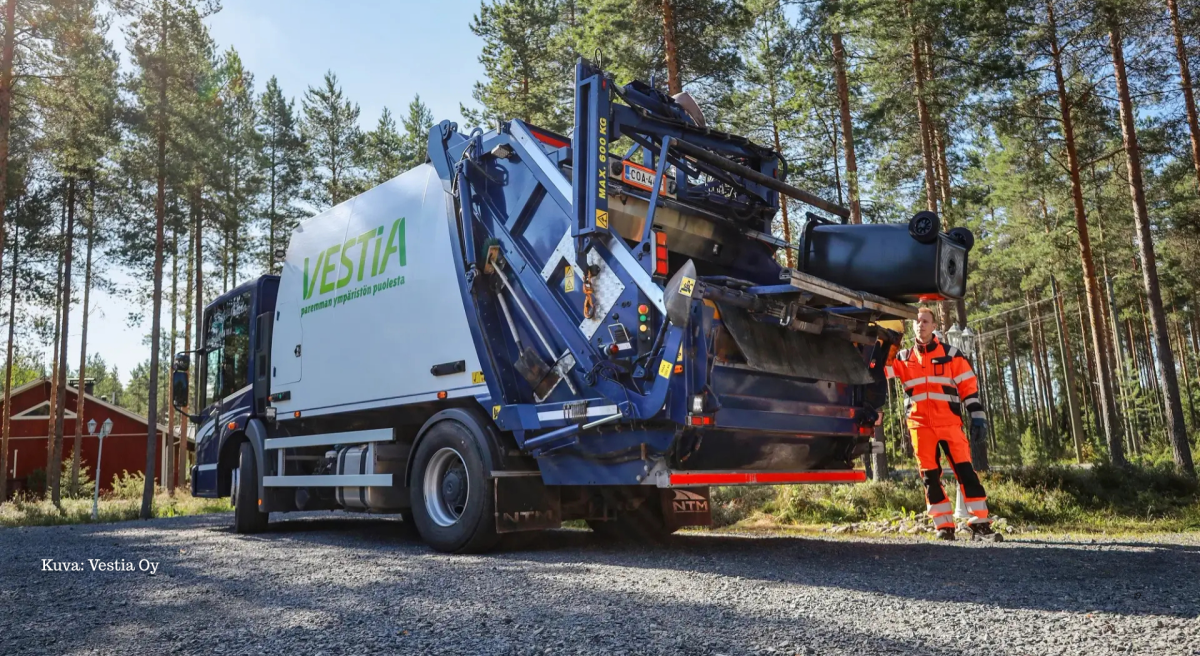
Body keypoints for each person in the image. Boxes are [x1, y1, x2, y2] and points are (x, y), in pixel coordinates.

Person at [885, 307, 1000, 542]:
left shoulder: (951, 354)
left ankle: (980, 523)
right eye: (917, 322)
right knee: (930, 477)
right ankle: (944, 526)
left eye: (925, 321)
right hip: (919, 426)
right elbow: (881, 369)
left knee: (966, 473)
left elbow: (968, 386)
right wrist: (891, 343)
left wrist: (976, 415)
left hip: (949, 424)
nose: (920, 325)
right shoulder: (903, 359)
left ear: (934, 326)